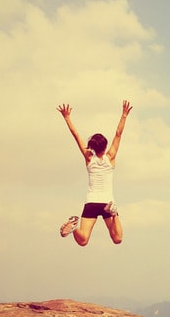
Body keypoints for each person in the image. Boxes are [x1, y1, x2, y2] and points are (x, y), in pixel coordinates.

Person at [57, 100, 132, 246]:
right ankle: (113, 212)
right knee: (117, 239)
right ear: (105, 146)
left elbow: (76, 135)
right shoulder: (110, 157)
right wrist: (124, 115)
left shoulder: (88, 157)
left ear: (92, 147)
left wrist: (67, 117)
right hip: (107, 202)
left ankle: (74, 229)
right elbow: (118, 134)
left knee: (83, 240)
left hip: (91, 202)